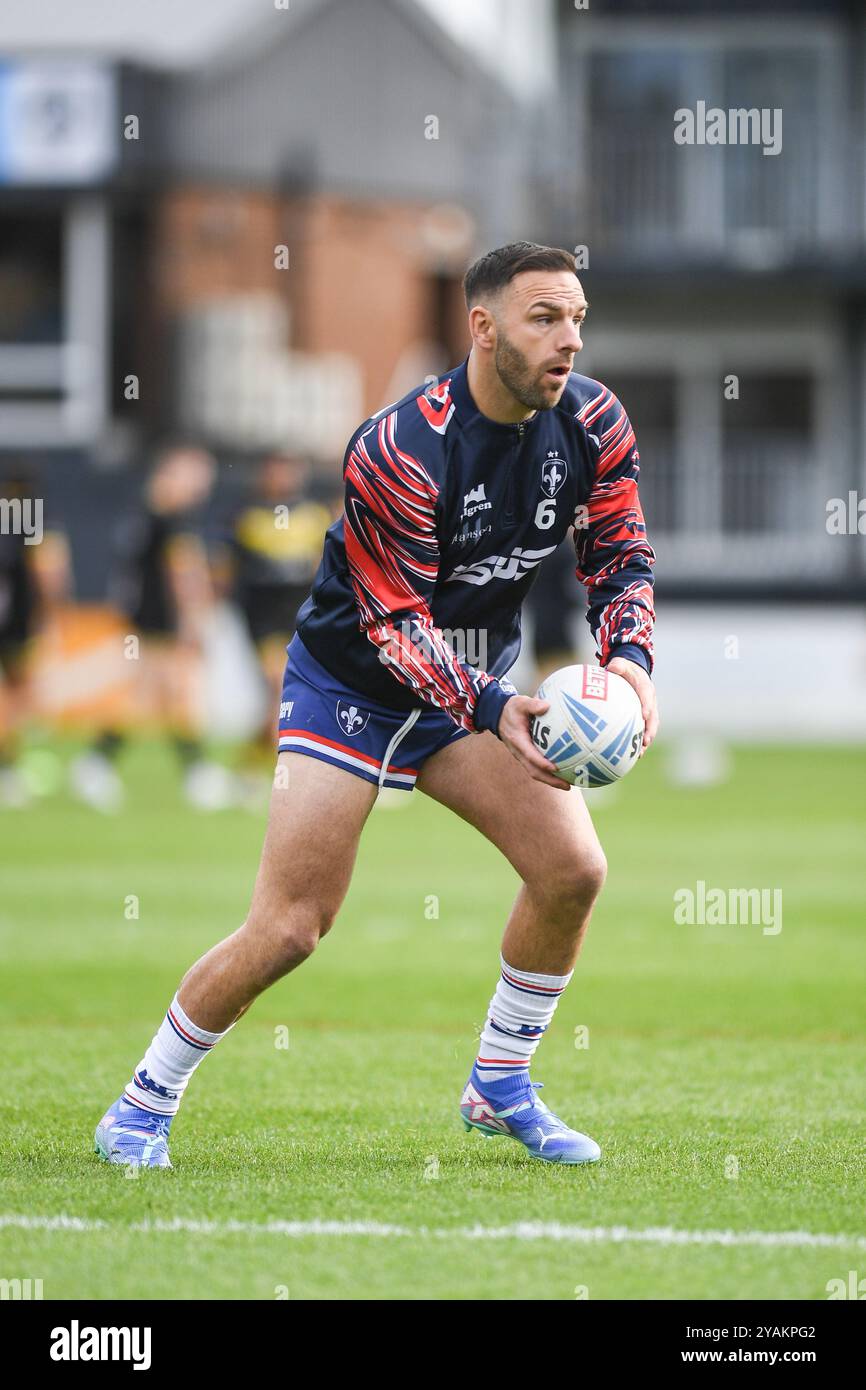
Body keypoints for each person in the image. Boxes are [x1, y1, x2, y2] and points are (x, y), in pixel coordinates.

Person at [94, 242, 658, 1169]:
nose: (571, 341)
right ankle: (142, 1103)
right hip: (349, 684)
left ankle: (501, 1084)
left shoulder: (595, 421)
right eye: (545, 319)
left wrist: (631, 665)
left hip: (468, 692)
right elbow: (392, 619)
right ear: (482, 328)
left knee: (573, 872)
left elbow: (619, 555)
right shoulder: (401, 445)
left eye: (579, 319)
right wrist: (493, 705)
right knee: (291, 926)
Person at [70, 442, 232, 812]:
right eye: (197, 479)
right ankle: (193, 773)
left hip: (142, 620)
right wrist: (192, 624)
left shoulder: (143, 513)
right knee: (167, 694)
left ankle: (103, 764)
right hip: (158, 622)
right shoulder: (171, 520)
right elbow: (181, 575)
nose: (202, 489)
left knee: (158, 696)